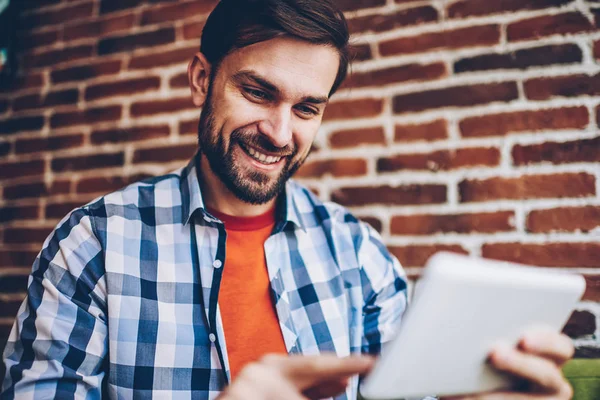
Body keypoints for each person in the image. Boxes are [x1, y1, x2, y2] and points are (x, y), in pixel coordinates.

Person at [1, 0, 574, 399]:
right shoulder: (95, 244)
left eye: (307, 108)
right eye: (257, 92)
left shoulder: (358, 253)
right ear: (202, 79)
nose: (279, 133)